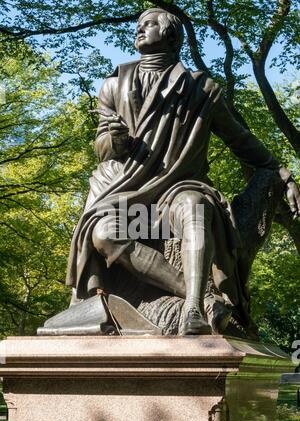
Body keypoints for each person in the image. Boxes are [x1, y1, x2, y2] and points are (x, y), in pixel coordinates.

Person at [66, 8, 300, 336]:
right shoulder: (114, 84)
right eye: (138, 24)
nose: (139, 29)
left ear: (171, 35)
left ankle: (192, 308)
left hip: (176, 193)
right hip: (138, 207)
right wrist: (113, 138)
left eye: (149, 24)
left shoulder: (201, 89)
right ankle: (205, 298)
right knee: (105, 233)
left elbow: (240, 140)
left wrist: (281, 171)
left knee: (196, 206)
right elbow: (104, 149)